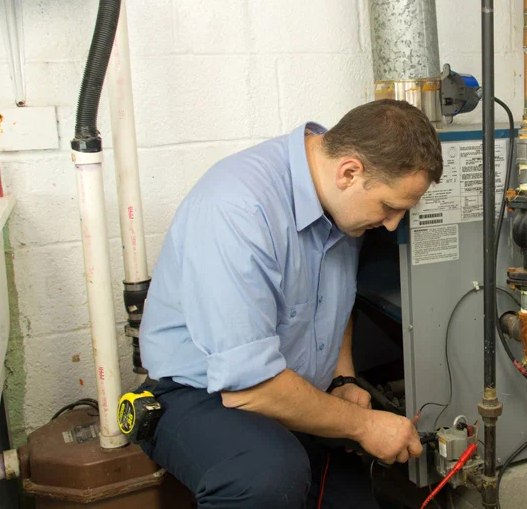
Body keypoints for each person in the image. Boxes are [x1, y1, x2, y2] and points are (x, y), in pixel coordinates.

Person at [137, 100, 444, 508]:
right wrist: (364, 425)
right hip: (199, 393)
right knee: (266, 477)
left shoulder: (338, 200)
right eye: (389, 208)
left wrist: (343, 379)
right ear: (349, 172)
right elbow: (250, 387)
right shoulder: (237, 208)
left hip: (289, 391)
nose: (392, 224)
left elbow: (332, 299)